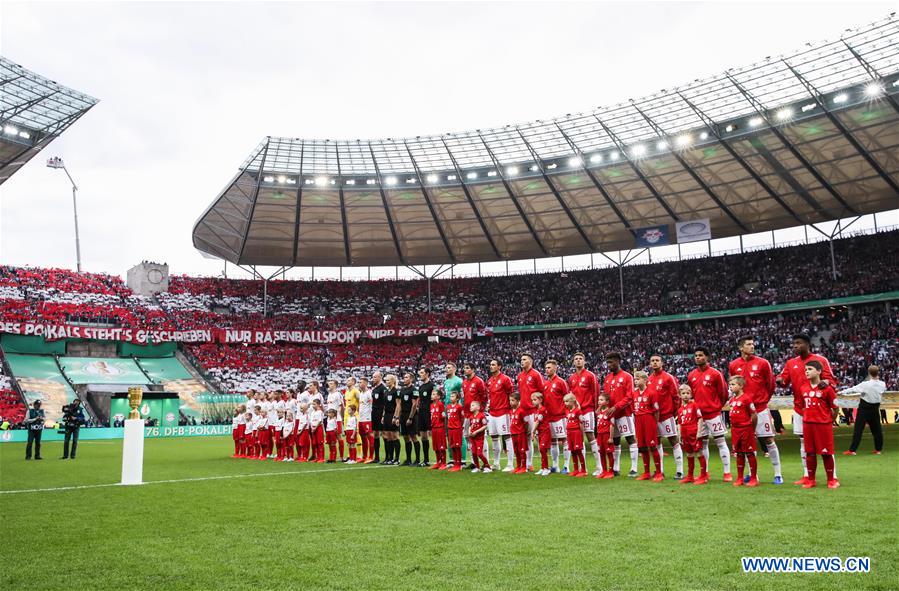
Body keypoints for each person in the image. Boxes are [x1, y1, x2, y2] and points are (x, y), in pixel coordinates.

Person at [776, 333, 838, 481]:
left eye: (798, 343)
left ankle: (833, 476)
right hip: (800, 408)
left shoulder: (820, 360)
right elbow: (784, 381)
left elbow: (832, 380)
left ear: (807, 344)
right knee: (804, 443)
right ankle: (807, 474)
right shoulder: (791, 363)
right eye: (794, 344)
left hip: (819, 409)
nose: (795, 346)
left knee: (826, 445)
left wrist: (827, 383)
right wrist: (779, 380)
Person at [729, 336, 782, 484]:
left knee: (769, 439)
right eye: (748, 344)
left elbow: (771, 385)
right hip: (742, 412)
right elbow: (733, 384)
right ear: (741, 347)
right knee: (745, 444)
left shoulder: (763, 363)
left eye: (753, 344)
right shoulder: (733, 365)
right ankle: (752, 475)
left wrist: (763, 400)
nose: (752, 346)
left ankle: (778, 474)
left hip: (760, 408)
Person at [687, 347, 732, 482]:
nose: (698, 358)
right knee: (702, 445)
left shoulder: (715, 374)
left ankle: (727, 473)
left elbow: (723, 393)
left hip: (713, 414)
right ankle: (704, 473)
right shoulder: (691, 375)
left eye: (701, 355)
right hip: (700, 417)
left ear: (707, 357)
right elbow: (691, 395)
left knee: (721, 442)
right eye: (696, 355)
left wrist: (717, 407)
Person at [799, 361, 840, 489]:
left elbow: (835, 408)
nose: (807, 371)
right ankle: (811, 480)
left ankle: (831, 480)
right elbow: (802, 406)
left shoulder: (827, 389)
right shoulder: (803, 388)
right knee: (810, 453)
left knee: (826, 453)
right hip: (808, 425)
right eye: (805, 369)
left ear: (819, 371)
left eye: (810, 369)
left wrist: (829, 420)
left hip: (823, 425)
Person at [602, 352, 639, 477]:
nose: (609, 365)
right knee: (615, 441)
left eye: (611, 362)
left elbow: (630, 397)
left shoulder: (627, 377)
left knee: (630, 438)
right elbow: (605, 397)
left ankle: (634, 468)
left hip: (624, 414)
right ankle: (615, 468)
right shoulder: (607, 378)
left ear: (618, 361)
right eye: (607, 362)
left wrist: (616, 407)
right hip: (612, 415)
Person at [647, 355, 683, 479]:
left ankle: (680, 471)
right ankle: (659, 471)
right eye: (652, 361)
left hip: (667, 415)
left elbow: (676, 396)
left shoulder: (668, 377)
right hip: (653, 417)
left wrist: (675, 412)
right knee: (656, 443)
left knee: (673, 440)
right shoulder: (649, 379)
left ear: (662, 363)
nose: (655, 362)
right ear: (650, 363)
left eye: (657, 360)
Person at [568, 352, 601, 476]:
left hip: (587, 410)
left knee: (590, 436)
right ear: (573, 362)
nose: (578, 361)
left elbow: (596, 393)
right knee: (578, 438)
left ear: (584, 361)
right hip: (576, 412)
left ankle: (599, 466)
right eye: (576, 359)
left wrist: (596, 409)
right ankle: (583, 468)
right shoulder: (571, 378)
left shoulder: (590, 375)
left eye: (580, 359)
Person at [840, 365, 886, 455]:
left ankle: (852, 450)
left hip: (865, 408)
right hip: (875, 408)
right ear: (878, 373)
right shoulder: (882, 384)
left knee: (858, 430)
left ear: (869, 373)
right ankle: (878, 449)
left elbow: (853, 389)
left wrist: (841, 392)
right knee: (877, 430)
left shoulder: (865, 384)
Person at [728, 376, 759, 488]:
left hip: (746, 429)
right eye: (730, 385)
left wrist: (752, 429)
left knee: (749, 453)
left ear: (740, 386)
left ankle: (754, 477)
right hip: (735, 430)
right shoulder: (732, 400)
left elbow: (754, 415)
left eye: (733, 384)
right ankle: (740, 478)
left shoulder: (746, 399)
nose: (730, 387)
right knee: (739, 453)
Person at [633, 370, 662, 481]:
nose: (636, 381)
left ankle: (659, 472)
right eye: (635, 379)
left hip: (648, 420)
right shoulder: (634, 393)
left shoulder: (652, 392)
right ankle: (646, 473)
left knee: (652, 446)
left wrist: (654, 424)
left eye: (638, 378)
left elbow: (656, 411)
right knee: (642, 447)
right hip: (638, 420)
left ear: (645, 380)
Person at [486, 358, 515, 472]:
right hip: (492, 413)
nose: (491, 366)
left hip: (503, 412)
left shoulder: (505, 379)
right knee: (494, 437)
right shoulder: (489, 380)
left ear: (499, 366)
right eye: (490, 364)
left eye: (493, 365)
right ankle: (496, 463)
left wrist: (511, 408)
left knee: (507, 437)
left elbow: (511, 394)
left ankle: (510, 464)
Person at [517, 353, 544, 472]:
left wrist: (540, 408)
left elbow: (542, 391)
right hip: (523, 411)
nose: (522, 361)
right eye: (521, 360)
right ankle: (529, 463)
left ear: (530, 362)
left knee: (536, 436)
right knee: (526, 438)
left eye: (524, 359)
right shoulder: (520, 375)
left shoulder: (536, 374)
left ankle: (545, 465)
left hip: (534, 410)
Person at [676, 385, 705, 485]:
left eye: (688, 393)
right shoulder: (680, 409)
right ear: (679, 395)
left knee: (699, 453)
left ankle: (703, 476)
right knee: (689, 454)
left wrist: (699, 432)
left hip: (693, 433)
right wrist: (679, 435)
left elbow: (700, 418)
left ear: (691, 394)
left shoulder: (694, 405)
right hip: (685, 434)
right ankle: (690, 476)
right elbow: (679, 423)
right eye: (683, 393)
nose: (685, 395)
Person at [462, 363, 488, 468]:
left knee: (481, 437)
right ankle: (474, 462)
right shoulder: (464, 382)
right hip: (467, 414)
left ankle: (485, 462)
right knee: (468, 436)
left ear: (473, 370)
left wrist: (481, 411)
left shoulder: (479, 381)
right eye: (464, 368)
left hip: (477, 414)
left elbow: (484, 396)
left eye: (467, 368)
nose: (465, 370)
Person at [395, 372, 420, 466]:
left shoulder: (414, 390)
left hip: (412, 416)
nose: (404, 379)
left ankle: (417, 460)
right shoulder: (401, 390)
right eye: (404, 377)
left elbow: (414, 404)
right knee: (405, 437)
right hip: (403, 415)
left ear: (411, 379)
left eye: (406, 377)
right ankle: (408, 460)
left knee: (413, 436)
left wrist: (410, 417)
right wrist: (397, 417)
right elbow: (399, 405)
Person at [563, 393, 586, 477]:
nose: (565, 403)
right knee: (572, 451)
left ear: (572, 401)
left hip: (576, 432)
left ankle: (583, 470)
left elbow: (581, 423)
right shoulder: (567, 411)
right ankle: (575, 469)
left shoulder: (578, 411)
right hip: (569, 433)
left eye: (567, 401)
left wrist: (581, 434)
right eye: (564, 401)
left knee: (578, 451)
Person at [380, 374, 400, 465]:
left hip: (393, 415)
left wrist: (396, 417)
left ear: (393, 381)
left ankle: (397, 459)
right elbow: (384, 406)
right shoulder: (386, 391)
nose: (386, 382)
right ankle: (389, 458)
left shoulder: (396, 391)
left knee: (394, 436)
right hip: (387, 415)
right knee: (387, 437)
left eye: (388, 380)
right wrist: (383, 416)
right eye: (386, 380)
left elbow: (398, 405)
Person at [531, 392, 552, 476]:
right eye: (532, 400)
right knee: (541, 449)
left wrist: (532, 431)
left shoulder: (542, 409)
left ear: (540, 400)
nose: (533, 401)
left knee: (543, 449)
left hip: (545, 431)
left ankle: (546, 468)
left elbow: (537, 422)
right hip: (540, 432)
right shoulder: (536, 410)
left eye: (535, 400)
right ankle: (543, 467)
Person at [417, 367, 435, 467]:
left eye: (422, 373)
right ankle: (426, 459)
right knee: (423, 436)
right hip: (421, 413)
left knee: (434, 435)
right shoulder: (421, 387)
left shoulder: (432, 385)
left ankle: (441, 459)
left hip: (429, 413)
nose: (420, 374)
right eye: (420, 373)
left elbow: (435, 399)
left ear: (427, 374)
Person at [594, 394, 615, 479]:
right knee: (601, 453)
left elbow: (612, 425)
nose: (599, 401)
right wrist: (600, 406)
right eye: (599, 400)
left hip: (606, 435)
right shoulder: (599, 412)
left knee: (609, 452)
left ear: (607, 402)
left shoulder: (610, 412)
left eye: (602, 400)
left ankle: (610, 471)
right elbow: (596, 412)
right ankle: (604, 471)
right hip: (600, 435)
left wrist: (611, 437)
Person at [468, 400, 491, 473]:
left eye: (473, 405)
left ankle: (487, 466)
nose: (471, 407)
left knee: (479, 453)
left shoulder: (481, 415)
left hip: (479, 438)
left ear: (478, 407)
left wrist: (476, 432)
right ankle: (477, 467)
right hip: (472, 438)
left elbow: (485, 426)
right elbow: (470, 426)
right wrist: (469, 431)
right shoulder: (471, 417)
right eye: (470, 405)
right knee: (474, 453)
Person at [509, 393, 528, 474]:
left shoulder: (522, 411)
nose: (510, 402)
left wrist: (524, 432)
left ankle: (524, 467)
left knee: (522, 450)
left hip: (520, 433)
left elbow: (526, 423)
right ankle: (518, 466)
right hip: (513, 433)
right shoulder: (510, 411)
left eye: (512, 400)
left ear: (518, 401)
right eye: (510, 400)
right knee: (516, 450)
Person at [446, 390, 464, 472]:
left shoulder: (459, 407)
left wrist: (460, 426)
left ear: (457, 399)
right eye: (450, 396)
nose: (451, 397)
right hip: (450, 429)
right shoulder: (448, 407)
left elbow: (462, 417)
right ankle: (455, 463)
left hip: (457, 429)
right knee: (452, 446)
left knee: (457, 446)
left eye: (453, 396)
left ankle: (459, 464)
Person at [370, 371, 386, 463]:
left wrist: (383, 415)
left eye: (375, 377)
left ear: (380, 377)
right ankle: (377, 457)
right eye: (373, 377)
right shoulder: (374, 388)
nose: (373, 379)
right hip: (374, 413)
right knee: (375, 434)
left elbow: (385, 403)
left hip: (381, 413)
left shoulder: (383, 388)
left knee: (384, 434)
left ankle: (388, 457)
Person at [358, 379, 375, 463]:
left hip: (367, 419)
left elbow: (372, 404)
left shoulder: (369, 393)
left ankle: (371, 457)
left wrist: (369, 414)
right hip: (360, 419)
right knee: (362, 437)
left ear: (365, 383)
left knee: (369, 437)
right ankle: (364, 457)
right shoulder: (361, 393)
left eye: (360, 382)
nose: (359, 384)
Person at [429, 389, 447, 470]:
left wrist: (444, 427)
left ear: (438, 396)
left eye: (434, 394)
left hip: (440, 427)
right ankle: (438, 462)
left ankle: (443, 463)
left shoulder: (440, 405)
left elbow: (444, 417)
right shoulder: (431, 405)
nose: (432, 395)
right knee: (435, 446)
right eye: (432, 394)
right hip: (434, 428)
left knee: (441, 446)